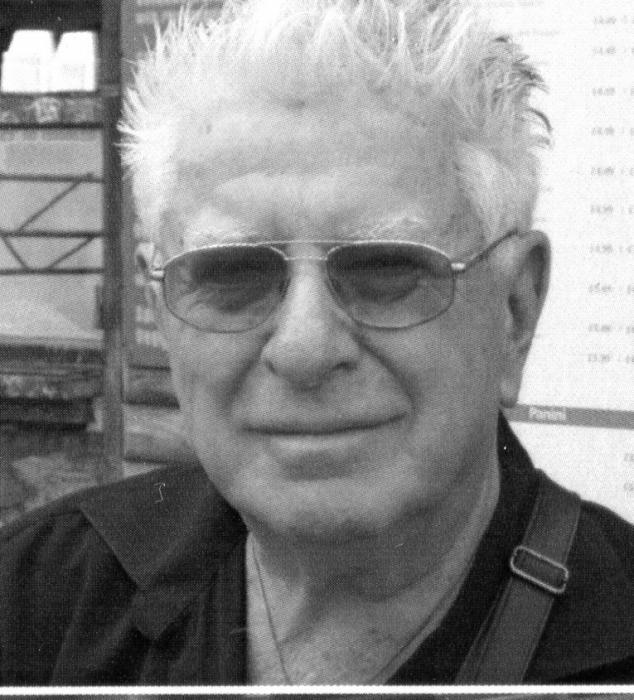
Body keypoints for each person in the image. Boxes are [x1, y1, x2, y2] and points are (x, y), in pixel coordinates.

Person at [1, 0, 633, 686]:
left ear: (515, 310)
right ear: (166, 313)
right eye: (232, 276)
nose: (304, 349)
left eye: (387, 270)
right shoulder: (36, 604)